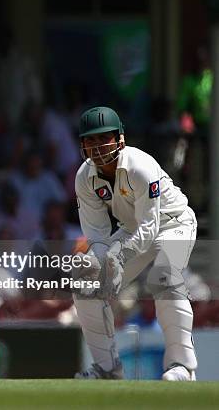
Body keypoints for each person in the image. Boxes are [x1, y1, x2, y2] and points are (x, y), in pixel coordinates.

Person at [72, 106, 197, 381]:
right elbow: (97, 234)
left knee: (164, 277)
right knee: (86, 283)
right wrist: (101, 263)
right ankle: (106, 369)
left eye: (105, 138)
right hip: (132, 230)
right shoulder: (84, 177)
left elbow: (150, 228)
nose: (98, 146)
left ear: (120, 138)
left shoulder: (140, 166)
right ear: (82, 144)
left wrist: (116, 257)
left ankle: (182, 367)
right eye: (91, 140)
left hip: (174, 223)